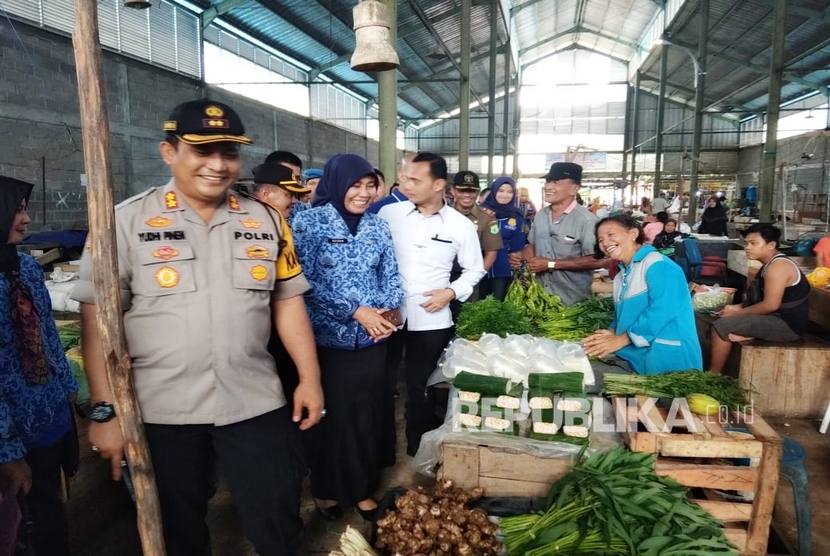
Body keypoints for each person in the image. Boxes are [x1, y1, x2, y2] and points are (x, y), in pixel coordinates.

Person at [70, 99, 324, 555]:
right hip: (161, 409)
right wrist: (105, 410)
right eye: (202, 151)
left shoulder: (266, 221)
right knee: (177, 527)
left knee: (278, 515)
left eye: (228, 152)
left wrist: (309, 378)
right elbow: (98, 325)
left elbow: (287, 303)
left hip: (253, 400)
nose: (217, 164)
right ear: (169, 152)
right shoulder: (122, 223)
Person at [292, 153, 403, 522]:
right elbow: (302, 283)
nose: (364, 192)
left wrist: (388, 313)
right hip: (325, 342)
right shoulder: (309, 223)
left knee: (365, 417)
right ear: (337, 183)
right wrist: (354, 311)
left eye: (370, 185)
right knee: (329, 418)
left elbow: (390, 274)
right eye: (356, 184)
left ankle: (361, 489)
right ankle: (325, 490)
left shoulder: (377, 227)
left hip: (372, 342)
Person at [378, 152, 485, 456]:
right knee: (383, 385)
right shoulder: (389, 215)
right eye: (403, 177)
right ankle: (382, 450)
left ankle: (419, 447)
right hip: (388, 315)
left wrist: (450, 293)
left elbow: (475, 269)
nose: (405, 184)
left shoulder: (459, 225)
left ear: (439, 184)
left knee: (422, 386)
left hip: (431, 318)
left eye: (415, 179)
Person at [0, 177, 79, 556]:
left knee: (48, 506)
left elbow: (48, 336)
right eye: (17, 210)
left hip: (49, 418)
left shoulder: (27, 270)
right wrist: (8, 452)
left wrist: (68, 392)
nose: (27, 219)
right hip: (10, 429)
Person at [582, 216, 702, 374]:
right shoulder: (621, 276)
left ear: (633, 233)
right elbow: (626, 316)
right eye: (600, 239)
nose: (605, 243)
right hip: (637, 357)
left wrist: (621, 339)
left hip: (668, 360)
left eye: (611, 234)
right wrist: (611, 333)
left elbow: (663, 310)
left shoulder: (658, 264)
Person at [708, 223, 811, 373]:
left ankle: (713, 376)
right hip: (774, 318)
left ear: (771, 245)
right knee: (720, 318)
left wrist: (736, 314)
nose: (747, 247)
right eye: (746, 243)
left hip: (786, 325)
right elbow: (756, 300)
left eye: (754, 243)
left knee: (721, 327)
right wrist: (734, 308)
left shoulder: (778, 266)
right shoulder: (767, 265)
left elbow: (770, 305)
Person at [251, 164, 312, 407]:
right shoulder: (253, 224)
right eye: (289, 195)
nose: (295, 201)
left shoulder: (277, 222)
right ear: (266, 195)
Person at [509, 162, 605, 306]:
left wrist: (551, 264)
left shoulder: (586, 220)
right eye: (548, 181)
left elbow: (598, 260)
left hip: (573, 302)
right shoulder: (541, 215)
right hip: (541, 298)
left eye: (556, 182)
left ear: (575, 189)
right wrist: (521, 257)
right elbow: (534, 245)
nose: (548, 186)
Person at [479, 176, 526, 301]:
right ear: (494, 191)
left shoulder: (516, 217)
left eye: (510, 192)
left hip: (501, 269)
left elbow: (517, 247)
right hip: (477, 267)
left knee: (497, 306)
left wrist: (516, 260)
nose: (505, 195)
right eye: (501, 191)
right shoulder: (480, 212)